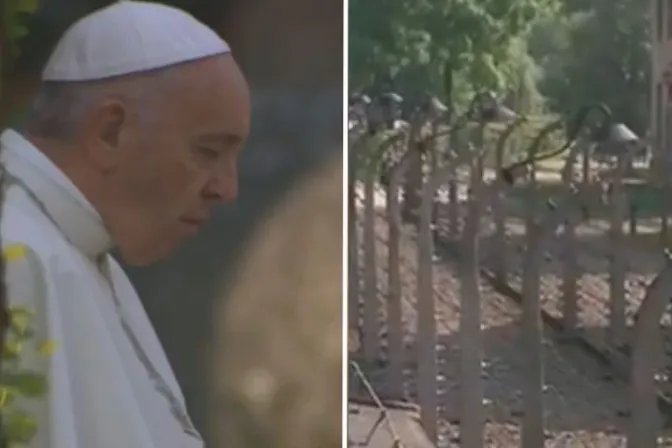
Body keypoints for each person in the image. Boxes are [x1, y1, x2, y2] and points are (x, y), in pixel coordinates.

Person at [0, 1, 250, 447]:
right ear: (109, 132)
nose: (227, 190)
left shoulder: (80, 250)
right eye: (208, 151)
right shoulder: (16, 255)